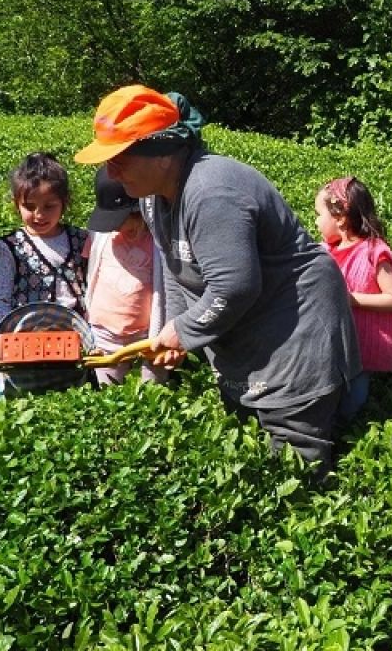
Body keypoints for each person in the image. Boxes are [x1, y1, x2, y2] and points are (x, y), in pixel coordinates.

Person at [74, 84, 360, 467]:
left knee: (294, 460)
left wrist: (183, 331)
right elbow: (178, 268)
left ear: (161, 153)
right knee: (250, 450)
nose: (111, 171)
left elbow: (234, 286)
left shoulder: (211, 193)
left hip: (295, 332)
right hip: (250, 334)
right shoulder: (151, 196)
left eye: (120, 158)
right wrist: (177, 330)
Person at [312, 176, 392, 420]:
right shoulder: (327, 250)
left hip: (362, 346)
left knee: (353, 403)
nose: (316, 222)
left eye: (320, 215)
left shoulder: (374, 252)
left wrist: (352, 299)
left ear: (340, 217)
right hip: (335, 343)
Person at [84, 164, 170, 386]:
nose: (116, 228)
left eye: (121, 220)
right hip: (105, 335)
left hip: (145, 337)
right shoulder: (101, 237)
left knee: (152, 391)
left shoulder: (158, 240)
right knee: (108, 392)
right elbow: (88, 269)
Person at [0, 152, 88, 325]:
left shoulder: (80, 239)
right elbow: (1, 298)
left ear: (64, 203)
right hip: (28, 334)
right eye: (29, 206)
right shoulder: (11, 247)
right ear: (17, 204)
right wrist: (7, 334)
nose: (39, 215)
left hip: (76, 331)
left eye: (49, 206)